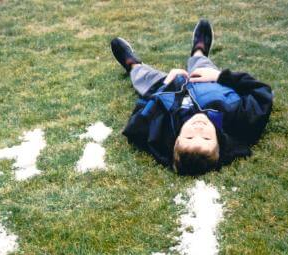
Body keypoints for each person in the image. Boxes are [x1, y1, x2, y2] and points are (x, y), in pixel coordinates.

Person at [110, 19, 273, 175]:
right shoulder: (241, 122)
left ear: (176, 140)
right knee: (201, 63)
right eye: (206, 137)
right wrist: (221, 76)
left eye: (189, 136)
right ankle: (199, 51)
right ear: (219, 142)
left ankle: (133, 64)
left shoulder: (161, 133)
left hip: (170, 87)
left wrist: (166, 84)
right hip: (207, 82)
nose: (198, 129)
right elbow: (262, 92)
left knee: (144, 79)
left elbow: (136, 122)